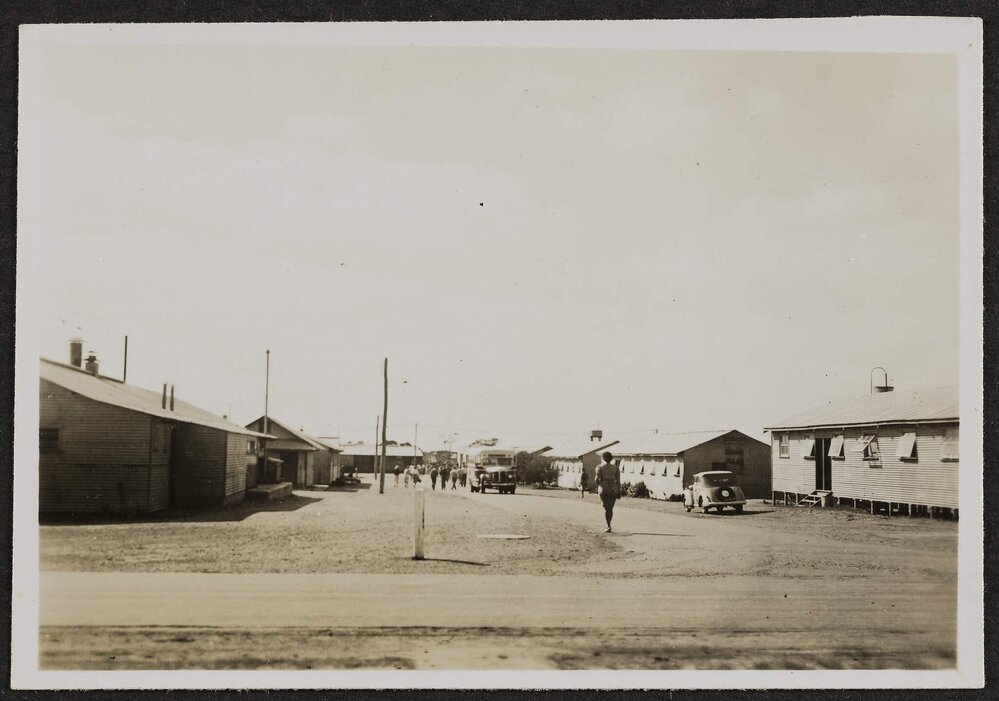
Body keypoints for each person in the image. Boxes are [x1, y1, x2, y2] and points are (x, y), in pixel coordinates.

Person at [596, 451, 620, 533]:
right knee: (610, 508)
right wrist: (619, 491)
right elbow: (618, 481)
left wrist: (600, 484)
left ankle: (608, 526)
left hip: (604, 487)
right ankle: (609, 525)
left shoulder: (600, 467)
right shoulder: (616, 468)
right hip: (613, 488)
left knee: (606, 508)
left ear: (603, 458)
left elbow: (597, 479)